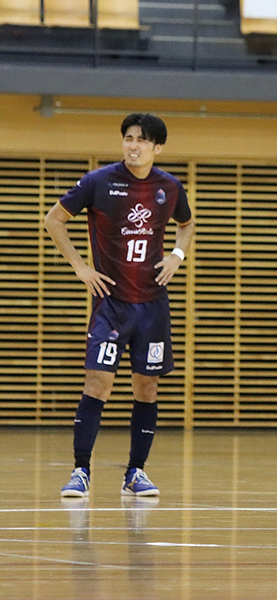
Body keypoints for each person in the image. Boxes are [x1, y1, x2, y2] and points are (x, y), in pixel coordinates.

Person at [45, 113, 195, 498]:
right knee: (98, 382)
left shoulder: (169, 187)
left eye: (142, 140)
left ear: (157, 147)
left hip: (152, 306)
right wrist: (80, 266)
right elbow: (54, 219)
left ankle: (135, 472)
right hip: (111, 305)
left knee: (147, 387)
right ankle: (81, 470)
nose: (133, 145)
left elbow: (187, 224)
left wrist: (177, 255)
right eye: (128, 138)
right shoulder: (98, 182)